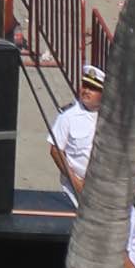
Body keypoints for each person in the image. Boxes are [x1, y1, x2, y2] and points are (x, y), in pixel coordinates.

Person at [48, 59, 103, 200]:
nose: (86, 91)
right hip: (76, 191)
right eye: (85, 85)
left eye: (93, 88)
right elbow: (55, 150)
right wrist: (76, 182)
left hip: (105, 189)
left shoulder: (112, 118)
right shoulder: (68, 116)